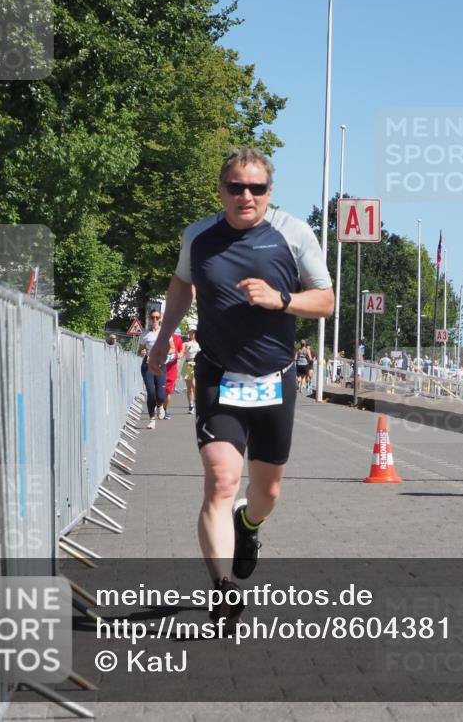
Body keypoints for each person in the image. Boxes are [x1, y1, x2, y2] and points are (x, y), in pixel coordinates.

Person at [149, 147, 333, 612]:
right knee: (221, 481)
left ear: (270, 192)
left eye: (256, 188)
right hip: (217, 373)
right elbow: (181, 285)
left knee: (266, 491)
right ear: (222, 190)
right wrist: (161, 339)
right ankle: (223, 591)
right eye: (236, 187)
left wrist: (281, 299)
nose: (245, 196)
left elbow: (326, 301)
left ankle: (249, 526)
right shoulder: (199, 236)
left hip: (275, 377)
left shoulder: (293, 234)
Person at [139, 310, 174, 429]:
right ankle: (152, 419)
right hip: (148, 364)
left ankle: (159, 405)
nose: (154, 320)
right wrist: (142, 352)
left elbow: (173, 349)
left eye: (157, 317)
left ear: (160, 319)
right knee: (151, 393)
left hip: (160, 365)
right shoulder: (145, 334)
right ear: (149, 318)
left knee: (160, 395)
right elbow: (140, 351)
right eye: (152, 317)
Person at [182, 329, 201, 414]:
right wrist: (186, 350)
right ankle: (191, 406)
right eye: (191, 332)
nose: (192, 334)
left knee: (195, 385)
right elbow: (182, 353)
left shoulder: (199, 343)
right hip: (188, 363)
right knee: (190, 387)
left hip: (197, 363)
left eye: (194, 332)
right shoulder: (185, 343)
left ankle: (198, 403)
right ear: (189, 333)